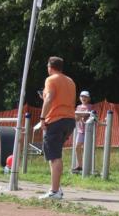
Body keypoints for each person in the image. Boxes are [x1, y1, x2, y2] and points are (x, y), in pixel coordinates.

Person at [38, 56, 76, 200]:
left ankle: (54, 191)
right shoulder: (70, 81)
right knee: (54, 154)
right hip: (69, 120)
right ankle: (56, 187)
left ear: (50, 67)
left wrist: (42, 117)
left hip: (55, 120)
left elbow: (49, 98)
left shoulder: (50, 80)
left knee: (54, 156)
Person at [72, 90, 96, 173]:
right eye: (82, 96)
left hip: (88, 131)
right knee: (77, 147)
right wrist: (79, 115)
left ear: (89, 98)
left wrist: (79, 115)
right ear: (79, 98)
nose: (83, 98)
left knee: (87, 148)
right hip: (80, 130)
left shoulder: (90, 106)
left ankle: (88, 166)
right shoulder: (78, 107)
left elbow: (86, 114)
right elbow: (76, 118)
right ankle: (80, 165)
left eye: (85, 97)